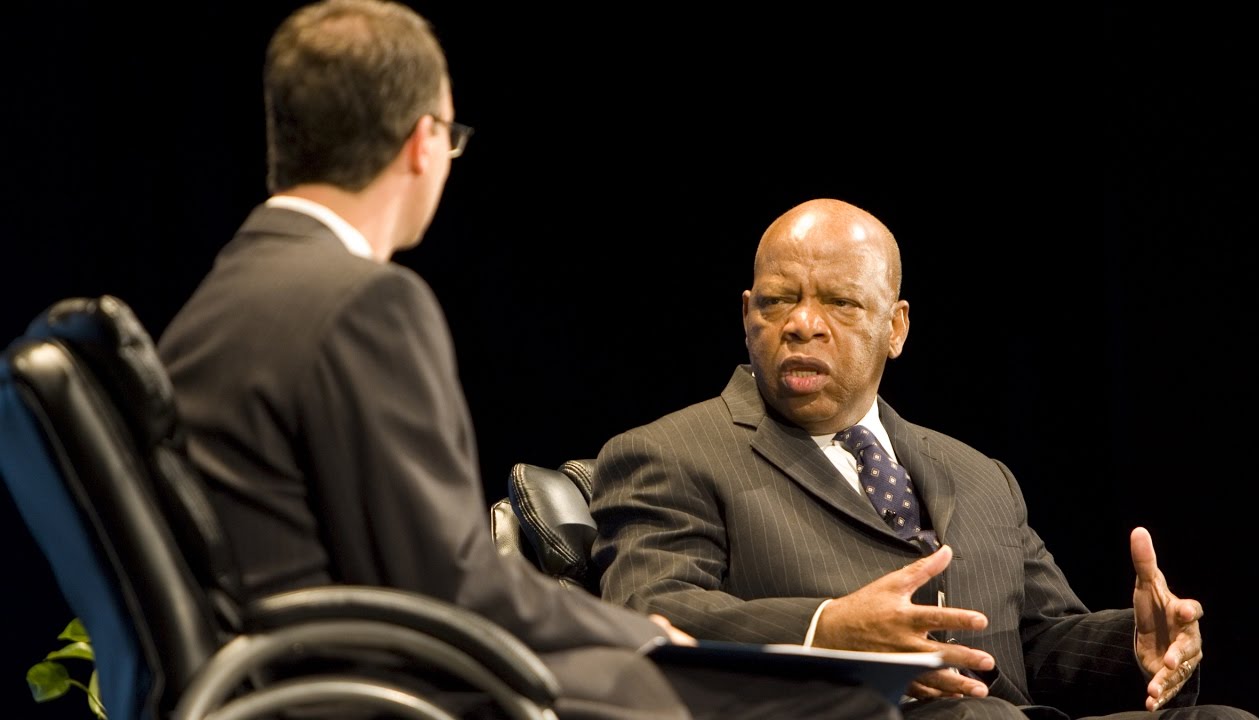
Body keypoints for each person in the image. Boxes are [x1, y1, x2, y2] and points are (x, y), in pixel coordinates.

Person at [156, 3, 902, 719]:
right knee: (842, 705)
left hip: (273, 681)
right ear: (423, 143)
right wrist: (637, 634)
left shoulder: (215, 303)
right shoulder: (365, 302)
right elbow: (448, 579)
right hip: (360, 690)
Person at [589, 198, 1259, 720]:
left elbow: (1033, 641)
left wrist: (1134, 648)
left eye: (840, 302)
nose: (802, 323)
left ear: (896, 327)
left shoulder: (980, 475)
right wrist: (827, 629)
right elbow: (648, 610)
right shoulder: (670, 453)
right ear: (746, 315)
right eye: (777, 300)